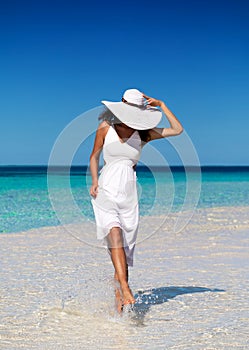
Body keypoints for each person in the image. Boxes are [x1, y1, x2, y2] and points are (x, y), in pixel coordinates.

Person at [89, 88, 183, 313]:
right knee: (114, 233)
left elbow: (178, 130)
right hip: (106, 187)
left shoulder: (144, 134)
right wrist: (94, 181)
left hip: (129, 192)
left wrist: (161, 104)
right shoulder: (105, 128)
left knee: (124, 247)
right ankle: (125, 286)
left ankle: (119, 311)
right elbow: (94, 156)